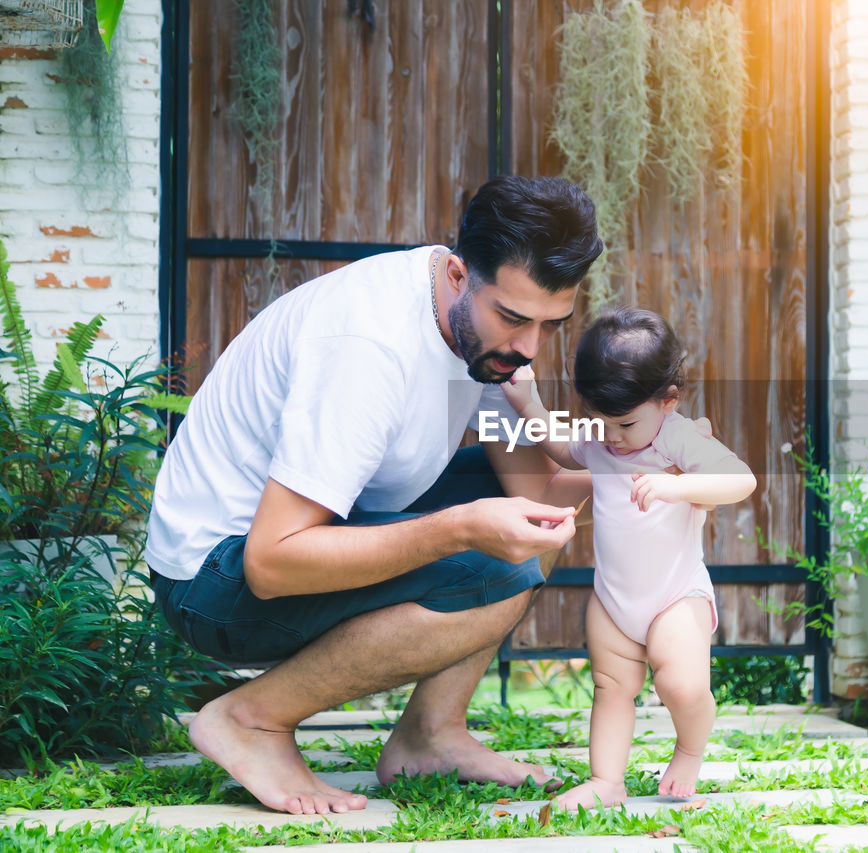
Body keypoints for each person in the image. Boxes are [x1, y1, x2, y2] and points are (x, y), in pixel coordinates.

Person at [144, 176, 602, 816]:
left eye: (551, 325)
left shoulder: (484, 338)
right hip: (213, 578)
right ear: (456, 273)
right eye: (515, 318)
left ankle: (430, 736)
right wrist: (460, 529)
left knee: (530, 522)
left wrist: (642, 470)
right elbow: (270, 564)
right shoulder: (369, 347)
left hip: (315, 532)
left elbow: (540, 491)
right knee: (493, 556)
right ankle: (250, 720)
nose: (527, 348)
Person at [499, 307, 757, 810]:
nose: (610, 435)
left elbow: (741, 480)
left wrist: (678, 485)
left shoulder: (677, 438)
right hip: (613, 600)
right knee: (611, 688)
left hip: (674, 596)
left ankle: (688, 747)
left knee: (681, 685)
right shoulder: (601, 436)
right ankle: (607, 780)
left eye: (624, 423)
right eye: (597, 420)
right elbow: (560, 446)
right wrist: (527, 402)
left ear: (667, 401)